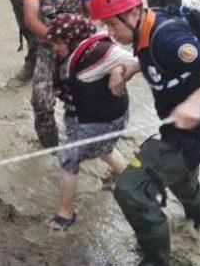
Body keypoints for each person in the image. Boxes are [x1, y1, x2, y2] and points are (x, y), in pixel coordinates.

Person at [89, 0, 200, 266]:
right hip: (181, 127)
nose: (109, 34)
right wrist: (132, 68)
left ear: (134, 14)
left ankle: (155, 261)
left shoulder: (169, 39)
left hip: (197, 132)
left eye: (112, 25)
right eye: (105, 26)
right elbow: (152, 57)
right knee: (183, 184)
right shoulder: (145, 26)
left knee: (130, 190)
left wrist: (196, 103)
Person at [45, 13, 136, 231]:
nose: (53, 48)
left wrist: (118, 70)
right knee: (104, 150)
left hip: (105, 119)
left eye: (56, 43)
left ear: (71, 39)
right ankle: (127, 175)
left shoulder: (101, 53)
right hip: (92, 114)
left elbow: (139, 61)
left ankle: (65, 214)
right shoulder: (73, 50)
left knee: (69, 157)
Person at [23, 0, 100, 148]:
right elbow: (30, 17)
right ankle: (51, 152)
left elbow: (98, 18)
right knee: (41, 102)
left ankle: (93, 149)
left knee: (88, 106)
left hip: (82, 50)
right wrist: (56, 41)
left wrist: (74, 41)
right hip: (49, 47)